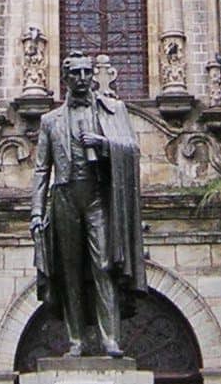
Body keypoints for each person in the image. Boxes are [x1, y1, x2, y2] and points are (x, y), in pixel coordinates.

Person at [29, 52, 146, 356]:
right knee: (69, 271)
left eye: (86, 73)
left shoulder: (112, 111)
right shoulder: (50, 121)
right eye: (75, 73)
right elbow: (42, 168)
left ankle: (110, 339)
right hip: (64, 198)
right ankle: (76, 340)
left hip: (97, 198)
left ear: (93, 75)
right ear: (65, 78)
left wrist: (104, 145)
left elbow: (132, 148)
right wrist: (36, 212)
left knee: (104, 265)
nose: (82, 78)